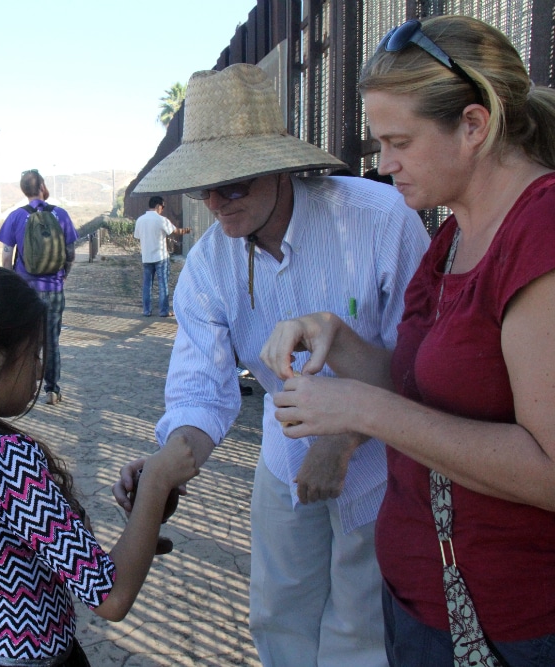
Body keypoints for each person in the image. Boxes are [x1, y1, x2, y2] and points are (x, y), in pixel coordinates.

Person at [111, 64, 430, 667]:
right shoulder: (209, 265)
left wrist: (344, 437)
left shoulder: (379, 219)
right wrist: (168, 462)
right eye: (206, 188)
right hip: (284, 460)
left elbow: (417, 368)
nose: (218, 203)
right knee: (278, 614)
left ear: (282, 167)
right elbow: (201, 390)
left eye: (235, 185)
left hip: (384, 463)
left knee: (360, 628)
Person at [261, 15, 555, 666]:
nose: (384, 163)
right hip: (422, 604)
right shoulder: (452, 236)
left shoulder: (540, 230)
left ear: (474, 127)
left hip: (508, 622)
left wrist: (363, 413)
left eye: (399, 141)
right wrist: (334, 336)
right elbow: (423, 385)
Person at [0, 264, 199, 666]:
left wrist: (144, 519)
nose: (39, 369)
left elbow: (32, 554)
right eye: (34, 355)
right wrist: (157, 481)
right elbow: (110, 597)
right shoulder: (4, 458)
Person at [0, 170, 78, 405]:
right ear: (42, 186)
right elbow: (71, 253)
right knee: (52, 340)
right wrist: (63, 275)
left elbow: (5, 256)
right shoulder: (60, 214)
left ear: (24, 190)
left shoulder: (15, 216)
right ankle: (52, 390)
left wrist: (13, 280)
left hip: (25, 290)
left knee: (26, 339)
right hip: (53, 288)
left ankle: (22, 386)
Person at [132, 195, 189, 317]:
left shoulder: (140, 220)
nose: (162, 209)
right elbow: (175, 231)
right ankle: (163, 311)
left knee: (147, 285)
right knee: (163, 284)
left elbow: (137, 236)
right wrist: (187, 231)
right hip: (161, 257)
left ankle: (146, 310)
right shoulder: (161, 220)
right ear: (158, 206)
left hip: (146, 257)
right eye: (162, 207)